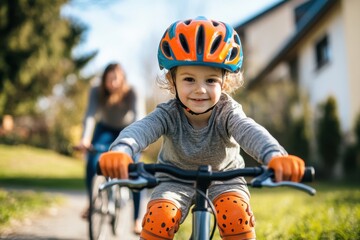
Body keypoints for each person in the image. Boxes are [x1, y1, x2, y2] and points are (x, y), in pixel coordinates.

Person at [98, 16, 305, 240]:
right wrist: (121, 151)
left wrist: (274, 155)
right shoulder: (168, 113)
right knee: (158, 220)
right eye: (189, 79)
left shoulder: (228, 112)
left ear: (224, 83)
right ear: (172, 80)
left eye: (211, 80)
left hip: (225, 178)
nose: (200, 90)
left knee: (235, 216)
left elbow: (249, 130)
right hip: (173, 180)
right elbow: (140, 130)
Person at [76, 62, 144, 234]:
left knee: (135, 171)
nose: (112, 84)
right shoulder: (96, 90)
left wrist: (137, 144)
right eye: (108, 80)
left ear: (123, 80)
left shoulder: (132, 92)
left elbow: (139, 117)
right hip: (104, 129)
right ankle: (92, 201)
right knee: (93, 160)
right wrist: (85, 139)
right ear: (103, 80)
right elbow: (90, 115)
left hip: (129, 130)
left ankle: (136, 219)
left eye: (116, 79)